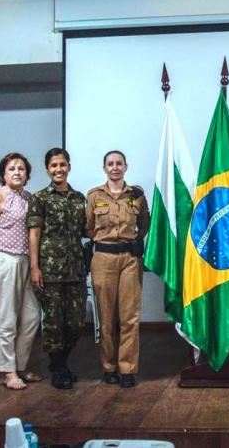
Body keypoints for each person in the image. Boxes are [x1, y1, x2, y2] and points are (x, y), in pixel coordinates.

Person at [0, 152, 41, 390]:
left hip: (26, 261)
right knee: (7, 318)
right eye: (12, 168)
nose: (17, 172)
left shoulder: (29, 198)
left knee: (31, 317)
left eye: (21, 169)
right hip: (5, 260)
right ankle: (8, 371)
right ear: (3, 174)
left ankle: (21, 366)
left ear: (27, 174)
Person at [86, 150, 150, 388]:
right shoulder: (94, 196)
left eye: (119, 164)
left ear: (126, 167)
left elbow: (144, 225)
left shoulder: (137, 196)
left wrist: (129, 242)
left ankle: (127, 369)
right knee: (106, 318)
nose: (115, 167)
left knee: (129, 317)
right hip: (103, 258)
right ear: (104, 168)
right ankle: (108, 367)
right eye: (110, 164)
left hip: (130, 260)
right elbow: (88, 227)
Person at [28, 148, 88, 390]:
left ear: (69, 167)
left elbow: (87, 230)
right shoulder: (40, 198)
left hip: (75, 268)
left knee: (75, 322)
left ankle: (60, 363)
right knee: (53, 321)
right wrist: (34, 267)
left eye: (62, 165)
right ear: (47, 169)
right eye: (53, 166)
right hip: (49, 269)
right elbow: (34, 233)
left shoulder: (78, 197)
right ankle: (59, 367)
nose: (58, 169)